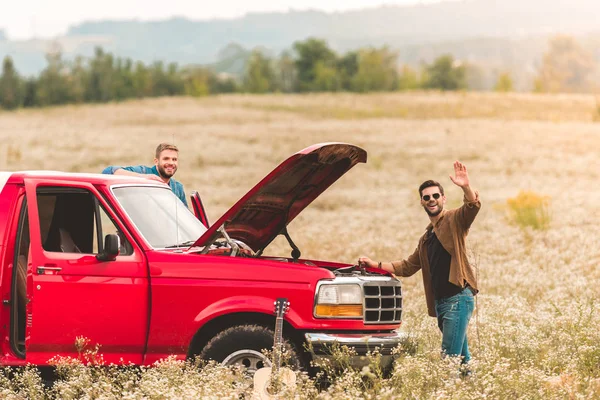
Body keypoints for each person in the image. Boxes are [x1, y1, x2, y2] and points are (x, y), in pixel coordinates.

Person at [359, 161, 481, 369]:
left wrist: (465, 187)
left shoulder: (454, 221)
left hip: (458, 298)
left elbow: (471, 207)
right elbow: (407, 266)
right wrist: (374, 264)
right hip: (442, 304)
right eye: (427, 197)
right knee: (462, 361)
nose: (431, 200)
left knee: (448, 361)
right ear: (422, 202)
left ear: (443, 198)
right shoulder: (426, 239)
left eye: (435, 196)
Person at [102, 143, 188, 207]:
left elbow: (185, 218)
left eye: (174, 159)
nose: (171, 163)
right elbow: (108, 171)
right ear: (156, 161)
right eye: (166, 159)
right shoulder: (143, 172)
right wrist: (143, 178)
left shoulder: (178, 188)